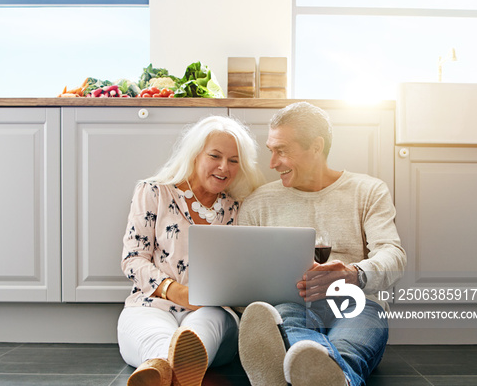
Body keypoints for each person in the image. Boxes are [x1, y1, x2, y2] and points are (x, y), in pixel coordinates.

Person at [237, 102, 406, 386]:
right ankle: (331, 375)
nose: (272, 163)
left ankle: (290, 374)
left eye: (282, 150)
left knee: (350, 344)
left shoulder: (367, 190)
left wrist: (355, 274)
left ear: (316, 146)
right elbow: (241, 272)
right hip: (291, 303)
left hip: (355, 302)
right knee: (286, 322)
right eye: (271, 150)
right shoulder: (258, 203)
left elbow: (393, 255)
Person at [118, 115, 265, 386]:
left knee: (202, 326)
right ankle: (171, 369)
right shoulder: (153, 191)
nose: (224, 167)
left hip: (212, 309)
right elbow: (133, 259)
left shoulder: (238, 207)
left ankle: (167, 369)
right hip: (152, 303)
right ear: (195, 154)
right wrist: (179, 293)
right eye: (215, 156)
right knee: (155, 335)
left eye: (234, 160)